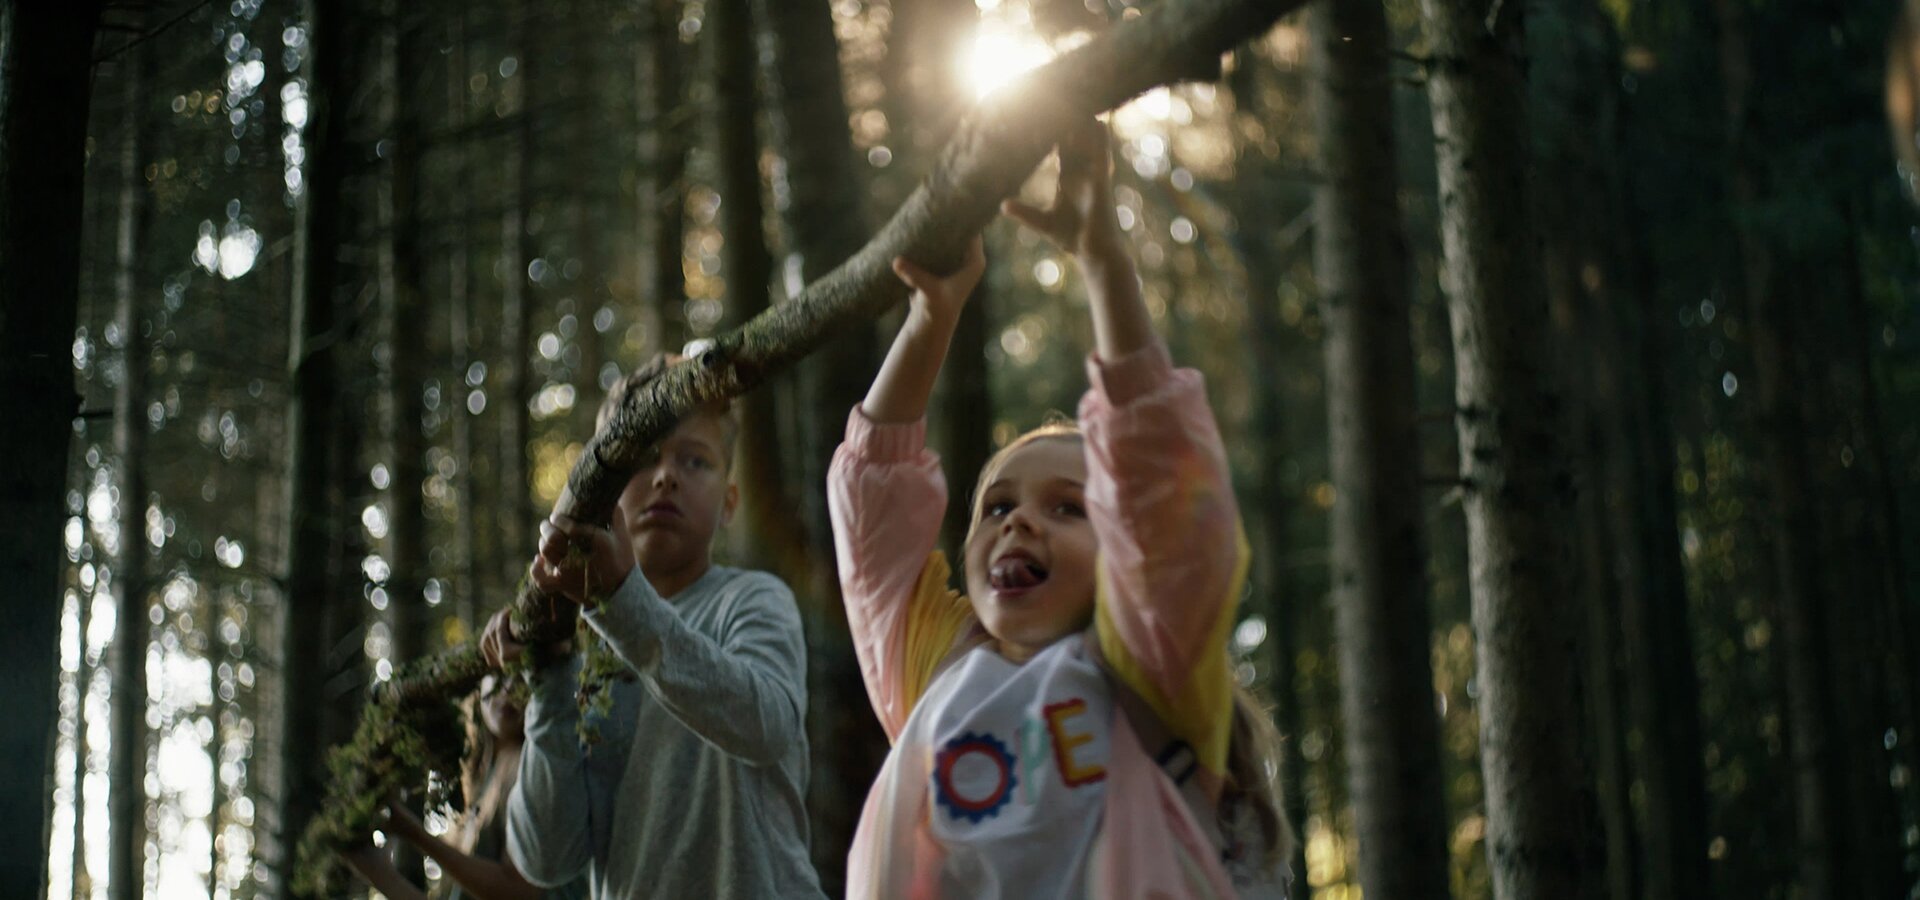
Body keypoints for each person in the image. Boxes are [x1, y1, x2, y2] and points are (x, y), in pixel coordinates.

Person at [827, 120, 1292, 898]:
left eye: (1070, 509)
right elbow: (872, 509)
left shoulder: (1150, 670)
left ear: (1127, 557)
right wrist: (929, 320)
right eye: (997, 506)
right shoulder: (937, 667)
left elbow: (1163, 498)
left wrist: (1105, 266)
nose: (1018, 522)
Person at [479, 356, 826, 899]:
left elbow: (768, 725)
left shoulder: (754, 600)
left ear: (729, 503)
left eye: (695, 461)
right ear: (602, 493)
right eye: (641, 459)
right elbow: (545, 857)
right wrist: (548, 672)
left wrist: (618, 601)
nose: (666, 476)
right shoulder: (585, 657)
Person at [339, 674, 583, 900]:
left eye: (522, 677)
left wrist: (412, 833)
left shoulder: (529, 768)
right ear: (480, 681)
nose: (508, 688)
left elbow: (520, 891)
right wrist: (379, 874)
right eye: (500, 673)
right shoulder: (480, 778)